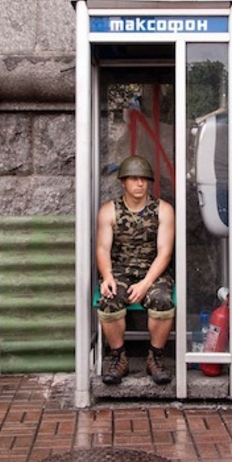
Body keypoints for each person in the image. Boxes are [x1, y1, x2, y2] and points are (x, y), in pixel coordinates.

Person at [96, 155, 175, 385]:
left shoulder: (163, 210)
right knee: (109, 300)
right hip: (120, 271)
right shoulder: (109, 211)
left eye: (144, 179)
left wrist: (146, 283)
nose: (139, 184)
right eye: (133, 179)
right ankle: (119, 357)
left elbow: (165, 253)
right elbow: (102, 248)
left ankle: (155, 357)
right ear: (123, 182)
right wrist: (108, 276)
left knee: (162, 301)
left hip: (153, 272)